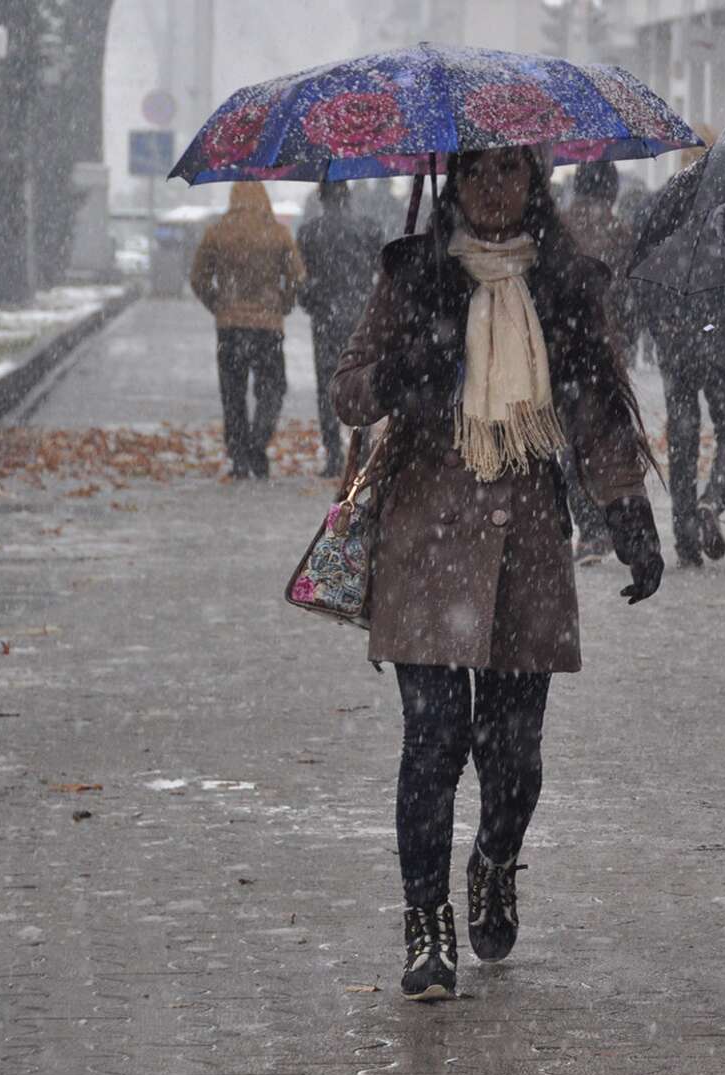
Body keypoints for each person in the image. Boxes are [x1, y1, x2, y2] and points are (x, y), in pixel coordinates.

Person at [332, 146, 666, 1002]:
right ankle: (426, 924)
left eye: (509, 171)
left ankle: (494, 858)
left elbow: (596, 409)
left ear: (534, 180)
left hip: (526, 547)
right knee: (434, 742)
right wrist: (405, 369)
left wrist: (630, 519)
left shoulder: (565, 286)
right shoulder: (413, 276)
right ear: (452, 180)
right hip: (427, 544)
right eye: (476, 171)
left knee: (513, 757)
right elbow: (349, 391)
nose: (491, 188)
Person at [189, 182, 304, 479]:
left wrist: (217, 303)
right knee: (273, 388)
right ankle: (258, 440)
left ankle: (239, 455)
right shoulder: (278, 233)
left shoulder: (217, 232)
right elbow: (297, 278)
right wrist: (284, 303)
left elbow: (198, 277)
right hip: (268, 326)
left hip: (230, 326)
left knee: (233, 392)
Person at [643, 275, 725, 567]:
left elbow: (644, 288)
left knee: (683, 438)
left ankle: (686, 539)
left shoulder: (664, 239)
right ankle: (712, 501)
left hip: (678, 341)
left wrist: (665, 329)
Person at [560, 160, 640, 564]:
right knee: (602, 435)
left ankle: (589, 530)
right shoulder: (620, 232)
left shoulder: (557, 228)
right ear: (611, 190)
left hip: (563, 351)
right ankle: (607, 520)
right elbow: (628, 295)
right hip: (604, 349)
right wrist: (625, 336)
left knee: (569, 440)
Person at [295, 181, 386, 477]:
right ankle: (361, 452)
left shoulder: (309, 233)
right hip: (363, 316)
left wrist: (312, 300)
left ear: (321, 197)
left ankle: (334, 453)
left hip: (326, 319)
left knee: (328, 384)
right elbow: (380, 270)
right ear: (348, 196)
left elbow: (305, 279)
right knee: (364, 381)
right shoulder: (369, 228)